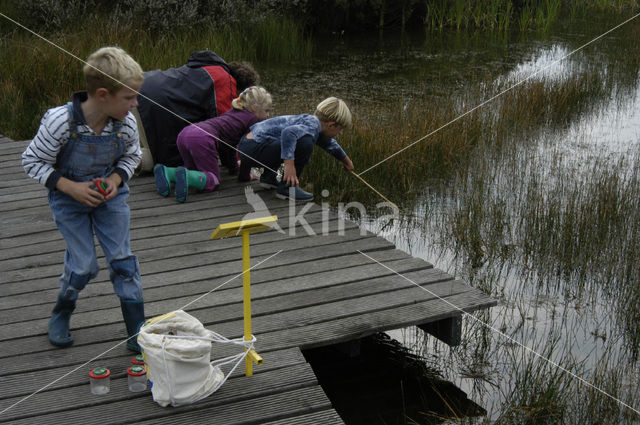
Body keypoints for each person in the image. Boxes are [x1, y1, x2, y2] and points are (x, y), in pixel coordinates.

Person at [22, 46, 146, 352]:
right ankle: (62, 312)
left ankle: (136, 329)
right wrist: (70, 187)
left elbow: (133, 156)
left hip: (110, 200)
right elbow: (32, 161)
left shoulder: (125, 123)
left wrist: (115, 179)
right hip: (68, 200)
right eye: (129, 97)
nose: (135, 103)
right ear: (103, 94)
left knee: (123, 262)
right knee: (83, 266)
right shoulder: (60, 122)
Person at [137, 50, 260, 167]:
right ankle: (121, 161)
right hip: (149, 99)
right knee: (158, 158)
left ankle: (123, 158)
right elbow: (228, 130)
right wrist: (239, 162)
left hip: (142, 85)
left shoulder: (208, 68)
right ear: (241, 89)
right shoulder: (225, 80)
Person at [153, 86, 272, 203]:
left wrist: (234, 168)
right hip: (202, 138)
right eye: (266, 111)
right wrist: (245, 177)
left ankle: (167, 172)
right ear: (255, 107)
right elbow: (246, 150)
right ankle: (187, 176)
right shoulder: (253, 119)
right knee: (213, 180)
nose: (268, 115)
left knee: (196, 172)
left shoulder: (234, 112)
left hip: (185, 134)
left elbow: (229, 145)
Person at [237, 97, 355, 201]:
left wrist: (346, 161)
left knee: (301, 140)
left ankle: (268, 178)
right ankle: (288, 188)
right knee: (305, 143)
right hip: (253, 149)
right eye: (340, 129)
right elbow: (288, 133)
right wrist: (289, 165)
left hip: (248, 146)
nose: (339, 133)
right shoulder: (311, 126)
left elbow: (329, 144)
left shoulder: (311, 122)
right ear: (331, 125)